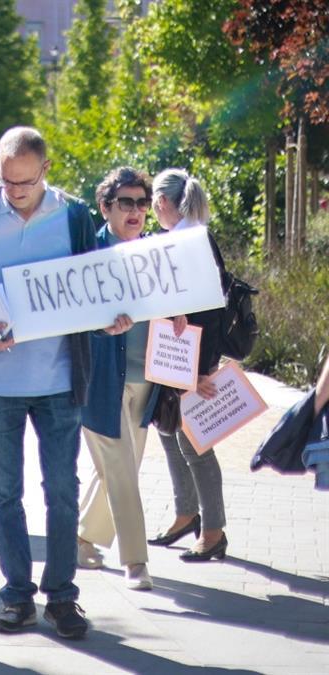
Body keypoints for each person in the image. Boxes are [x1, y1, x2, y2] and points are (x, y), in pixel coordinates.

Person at [0, 126, 108, 640]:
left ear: (45, 171)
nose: (13, 192)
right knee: (4, 494)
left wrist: (112, 317)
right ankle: (16, 597)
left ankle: (62, 597)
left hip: (60, 381)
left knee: (61, 492)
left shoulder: (76, 216)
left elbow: (98, 287)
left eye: (24, 183)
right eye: (6, 181)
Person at [75, 167, 158, 590]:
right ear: (106, 207)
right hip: (100, 379)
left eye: (143, 203)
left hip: (147, 377)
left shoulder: (159, 254)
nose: (137, 211)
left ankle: (82, 537)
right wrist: (99, 327)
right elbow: (69, 318)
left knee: (118, 469)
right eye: (126, 202)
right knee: (121, 468)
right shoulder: (88, 254)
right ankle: (135, 561)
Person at [146, 168, 231, 562]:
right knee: (168, 428)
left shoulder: (190, 241)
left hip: (191, 359)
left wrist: (201, 370)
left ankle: (212, 531)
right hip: (179, 356)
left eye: (151, 204)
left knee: (193, 442)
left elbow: (212, 311)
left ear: (162, 203)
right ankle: (186, 515)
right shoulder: (185, 237)